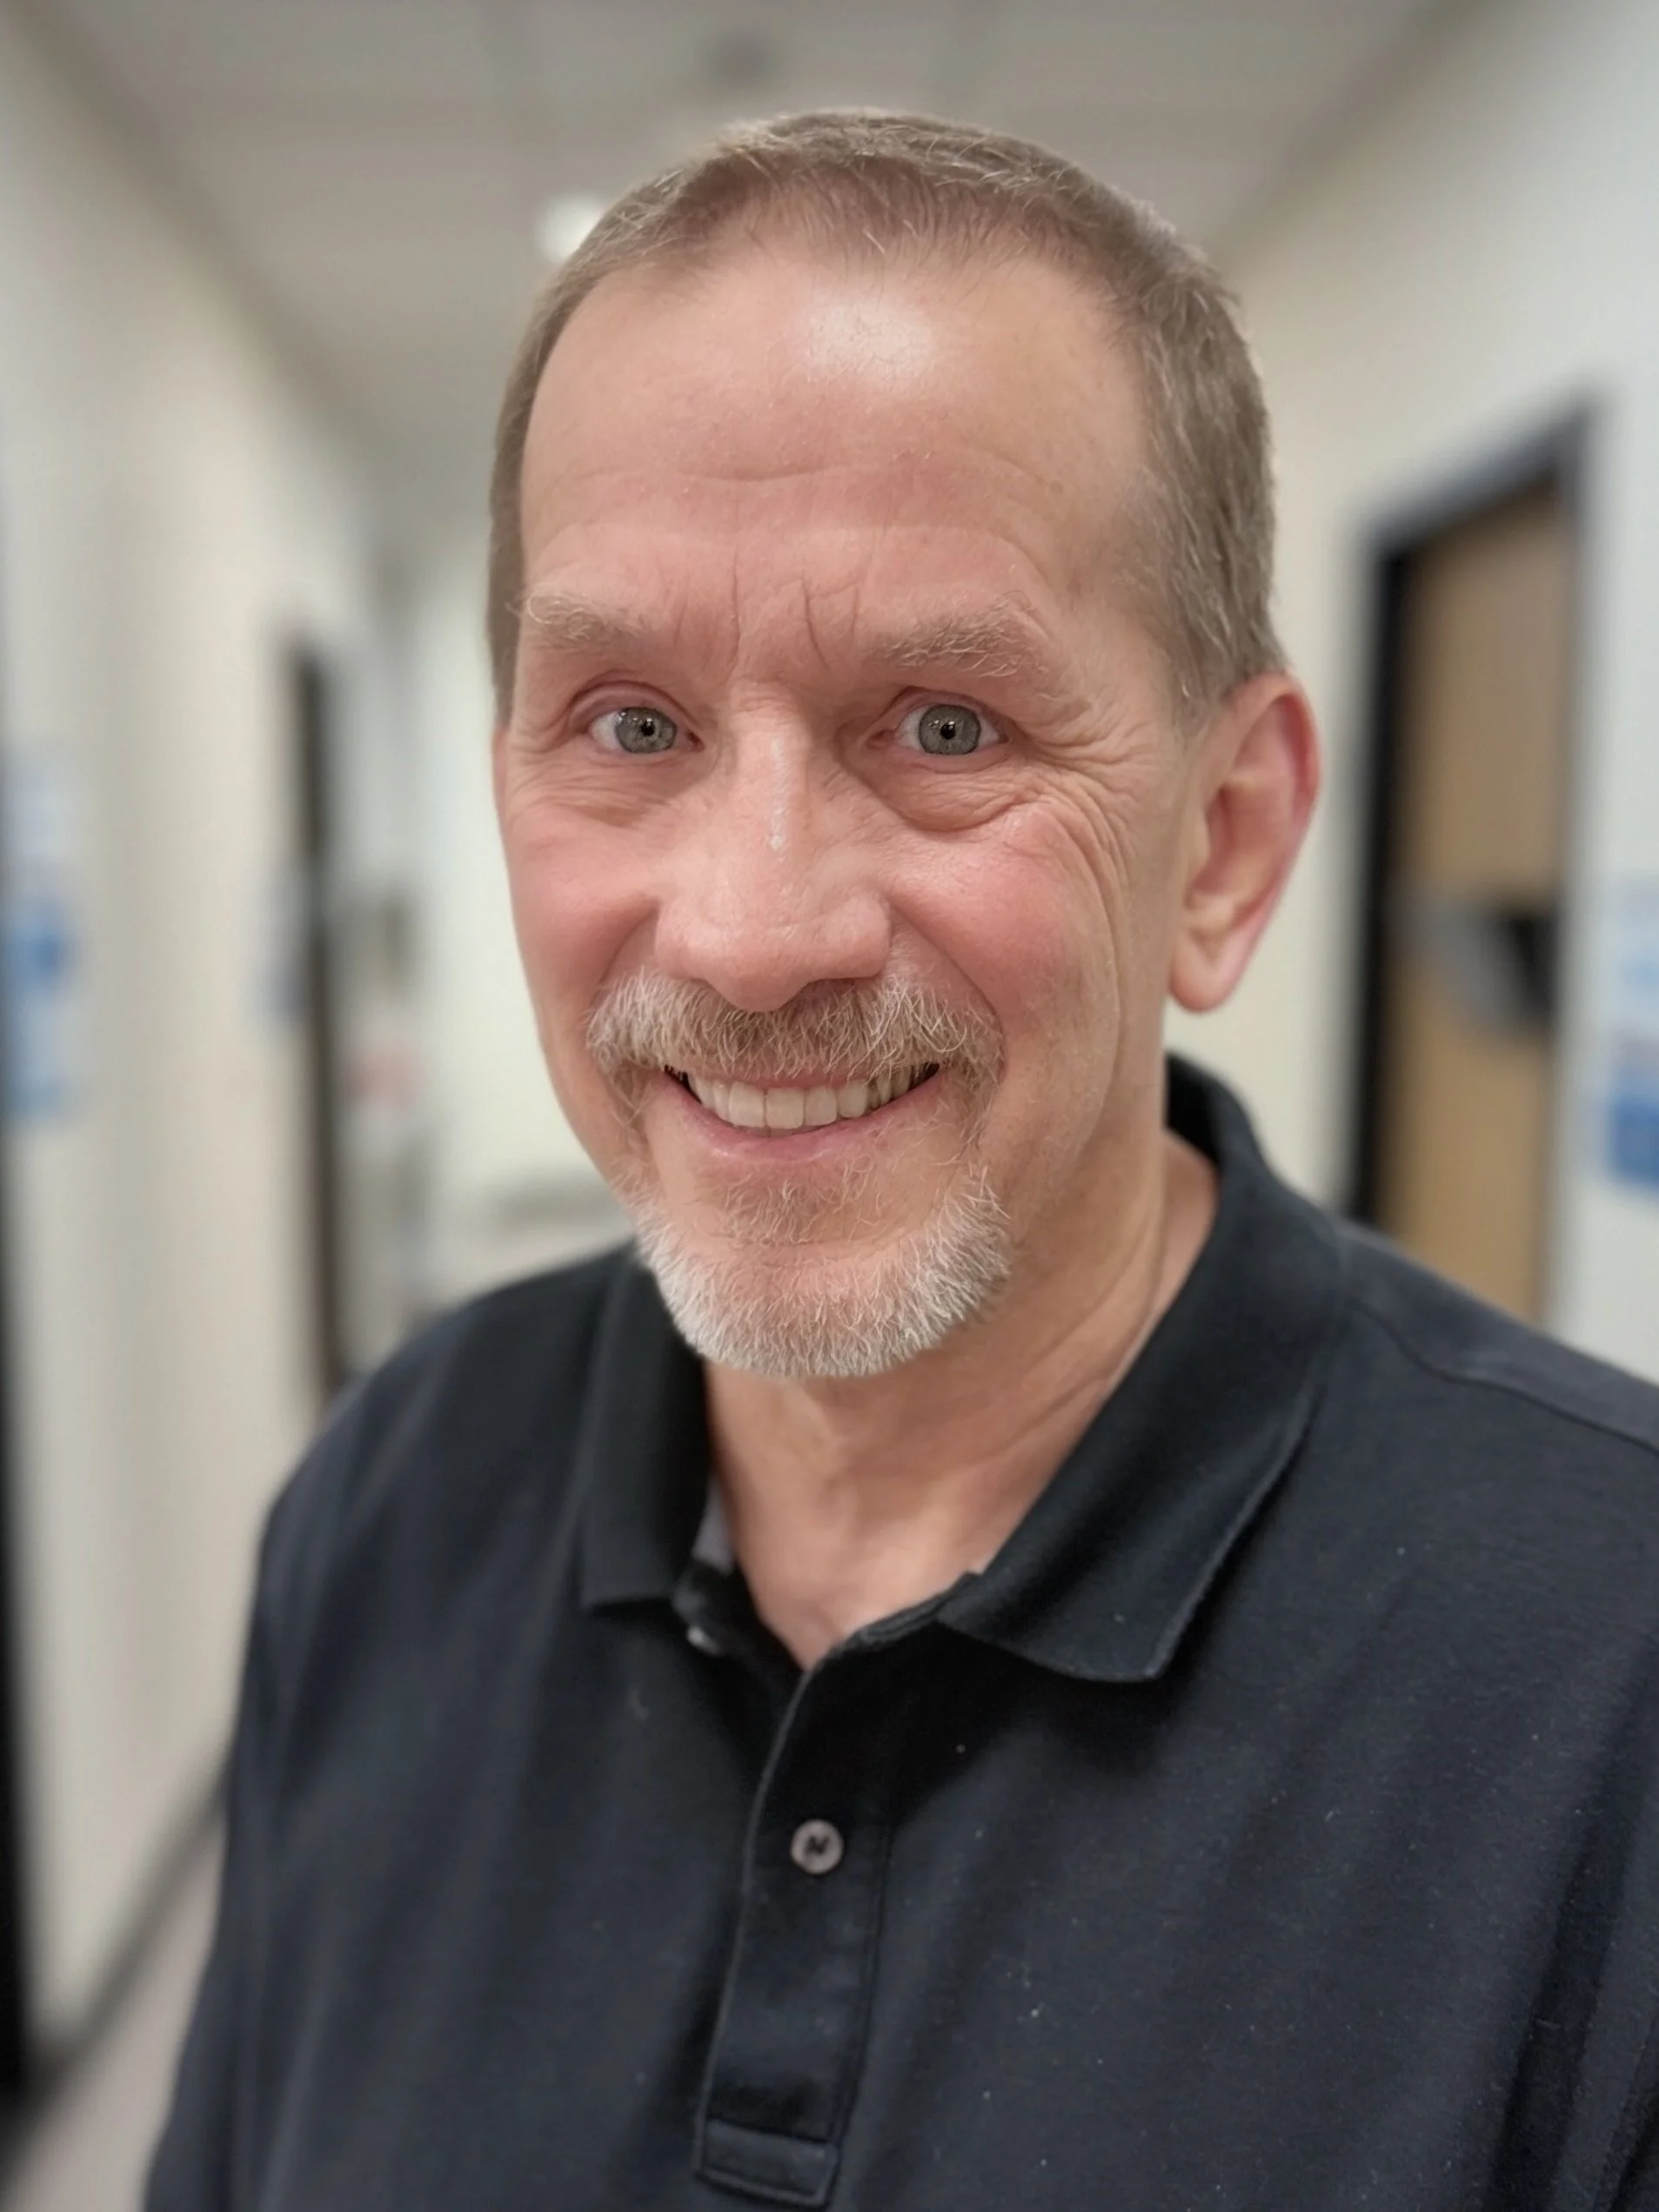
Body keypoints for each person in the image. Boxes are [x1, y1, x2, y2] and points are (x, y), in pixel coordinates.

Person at [148, 112, 1659, 2211]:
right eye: (630, 725)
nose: (755, 933)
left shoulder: (1607, 1679)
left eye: (943, 723)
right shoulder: (389, 1500)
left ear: (1219, 841)